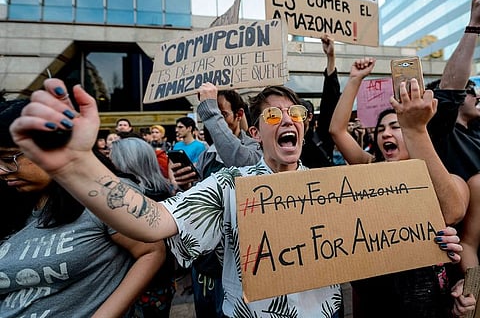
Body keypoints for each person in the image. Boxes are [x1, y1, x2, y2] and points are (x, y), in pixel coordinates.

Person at [10, 79, 463, 318]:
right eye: (274, 114)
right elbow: (153, 223)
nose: (288, 120)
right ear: (255, 130)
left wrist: (432, 240)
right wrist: (73, 165)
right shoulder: (230, 184)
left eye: (296, 113)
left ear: (304, 127)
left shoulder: (334, 187)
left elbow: (445, 211)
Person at [329, 58, 469, 318]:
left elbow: (452, 211)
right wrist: (355, 80)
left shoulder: (447, 177)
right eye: (381, 129)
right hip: (376, 301)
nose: (385, 134)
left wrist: (415, 128)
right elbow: (337, 131)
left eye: (396, 126)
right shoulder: (371, 166)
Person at [0, 99, 166, 318]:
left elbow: (152, 251)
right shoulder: (14, 202)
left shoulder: (104, 194)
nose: (2, 170)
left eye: (8, 158)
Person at [174, 83, 262, 318]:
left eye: (222, 114)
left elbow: (241, 163)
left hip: (242, 261)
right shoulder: (206, 155)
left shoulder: (255, 149)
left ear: (239, 115)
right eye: (212, 115)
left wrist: (209, 110)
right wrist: (184, 186)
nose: (216, 121)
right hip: (208, 261)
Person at [425, 0, 480, 317]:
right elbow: (450, 89)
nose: (477, 95)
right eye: (471, 90)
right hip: (464, 268)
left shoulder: (476, 134)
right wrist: (474, 25)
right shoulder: (442, 137)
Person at [109, 137, 175, 318]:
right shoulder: (163, 191)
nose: (109, 163)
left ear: (127, 162)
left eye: (113, 157)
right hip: (161, 282)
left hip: (145, 284)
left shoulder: (133, 200)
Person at [300, 34, 339, 168]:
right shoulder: (285, 145)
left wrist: (331, 58)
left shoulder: (321, 137)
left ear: (310, 117)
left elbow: (330, 102)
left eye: (300, 114)